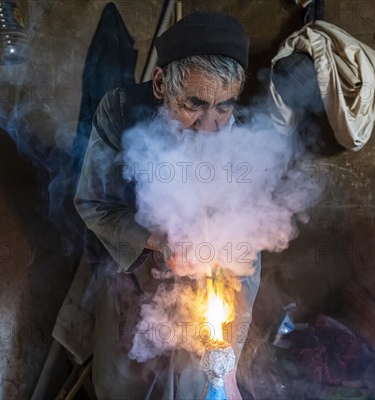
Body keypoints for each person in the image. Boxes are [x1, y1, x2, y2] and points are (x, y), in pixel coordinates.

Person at [74, 11, 260, 400]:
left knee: (205, 376)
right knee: (126, 381)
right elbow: (93, 202)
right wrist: (159, 241)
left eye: (224, 107)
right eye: (194, 105)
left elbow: (249, 236)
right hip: (134, 268)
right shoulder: (121, 110)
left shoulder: (238, 135)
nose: (209, 125)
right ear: (161, 83)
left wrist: (229, 361)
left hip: (216, 271)